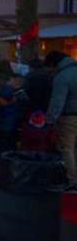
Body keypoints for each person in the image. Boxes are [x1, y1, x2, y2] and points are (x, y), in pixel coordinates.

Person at [45, 51, 77, 193]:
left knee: (67, 148)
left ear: (53, 64)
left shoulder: (62, 76)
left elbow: (57, 102)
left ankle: (72, 181)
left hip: (69, 116)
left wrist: (50, 120)